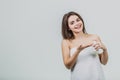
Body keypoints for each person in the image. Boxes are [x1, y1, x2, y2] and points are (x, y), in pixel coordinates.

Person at [61, 11, 108, 80]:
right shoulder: (66, 42)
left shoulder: (94, 37)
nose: (77, 23)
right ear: (68, 27)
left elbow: (104, 62)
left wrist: (105, 49)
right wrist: (78, 50)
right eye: (72, 23)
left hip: (97, 77)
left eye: (78, 20)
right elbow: (68, 66)